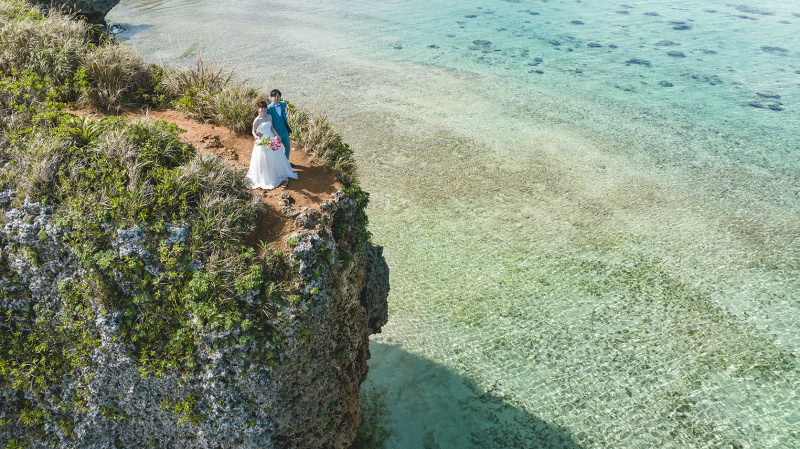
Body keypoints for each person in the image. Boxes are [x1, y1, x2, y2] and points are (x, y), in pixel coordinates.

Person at [246, 100, 297, 190]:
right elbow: (253, 131)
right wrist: (257, 137)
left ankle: (275, 173)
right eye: (261, 108)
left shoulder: (269, 116)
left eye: (264, 108)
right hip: (262, 140)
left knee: (274, 156)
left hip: (271, 138)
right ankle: (266, 176)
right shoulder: (257, 120)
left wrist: (277, 135)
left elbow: (272, 127)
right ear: (258, 109)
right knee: (263, 158)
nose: (263, 110)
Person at [267, 89, 292, 162]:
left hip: (285, 131)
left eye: (278, 96)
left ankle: (285, 163)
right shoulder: (268, 108)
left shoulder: (283, 104)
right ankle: (276, 164)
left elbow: (285, 117)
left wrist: (287, 129)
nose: (276, 98)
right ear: (271, 97)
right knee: (275, 150)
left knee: (287, 148)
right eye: (274, 96)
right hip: (276, 133)